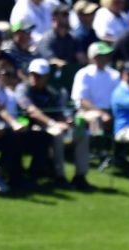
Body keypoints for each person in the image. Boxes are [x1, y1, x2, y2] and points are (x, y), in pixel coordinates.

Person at [17, 58, 92, 189]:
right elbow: (31, 111)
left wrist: (66, 121)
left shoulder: (52, 92)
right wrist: (53, 123)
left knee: (81, 134)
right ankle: (60, 176)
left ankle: (80, 176)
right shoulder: (23, 89)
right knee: (57, 135)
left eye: (39, 76)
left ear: (46, 76)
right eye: (33, 74)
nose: (35, 78)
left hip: (53, 126)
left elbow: (59, 111)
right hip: (30, 128)